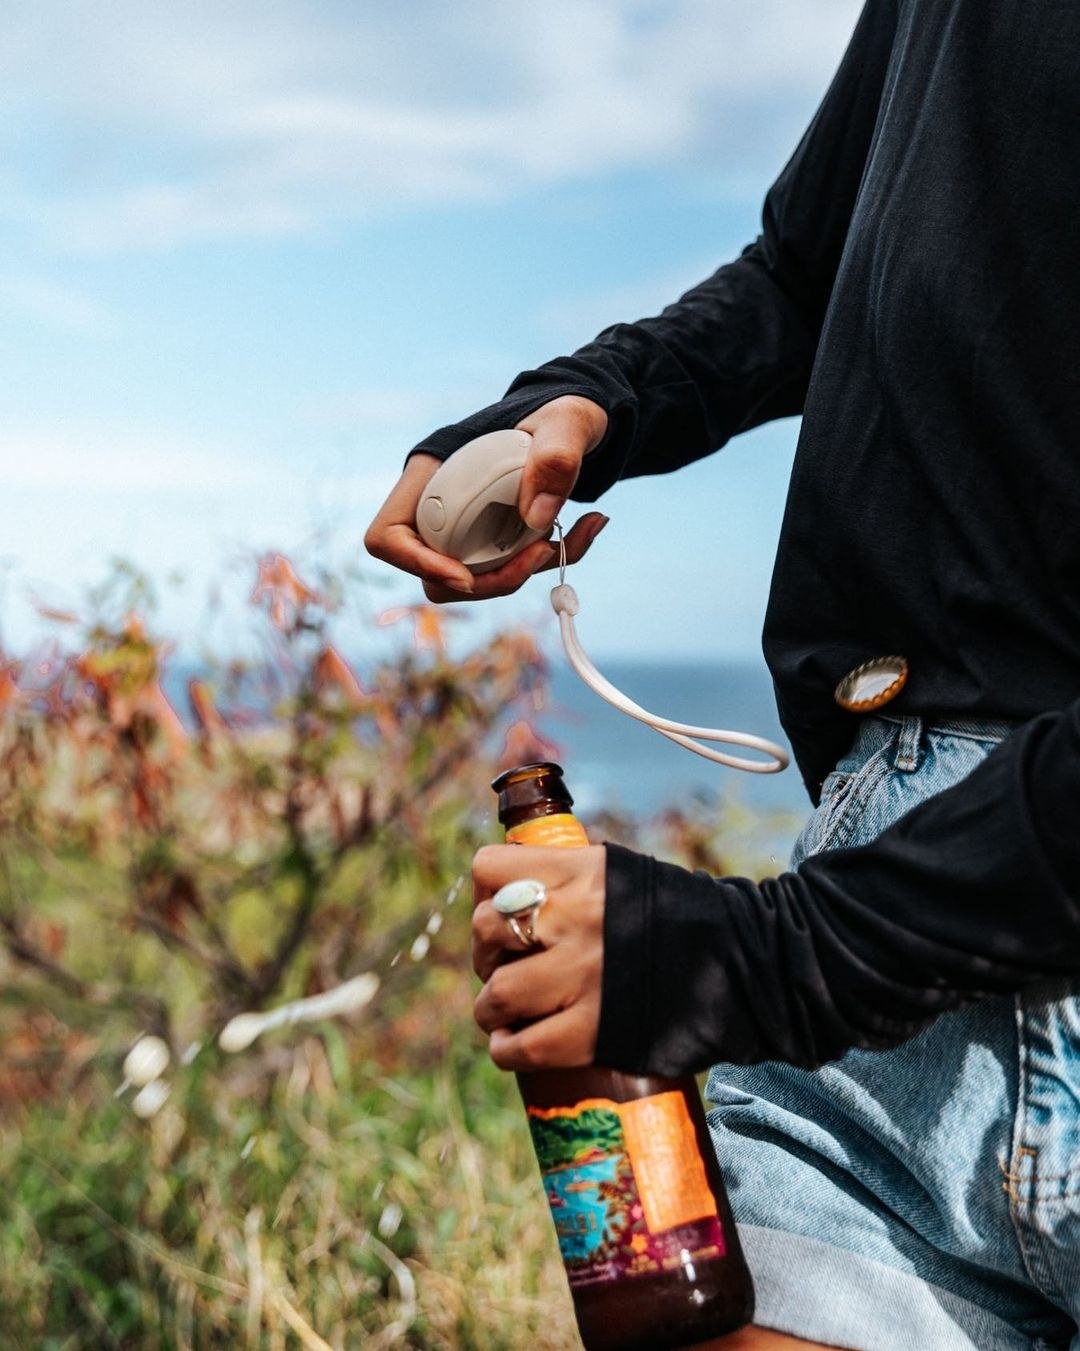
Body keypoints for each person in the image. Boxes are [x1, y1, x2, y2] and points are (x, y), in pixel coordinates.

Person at [365, 2, 1080, 1346]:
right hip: (896, 939)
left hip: (903, 923)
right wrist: (593, 398)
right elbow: (812, 267)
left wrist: (749, 961)